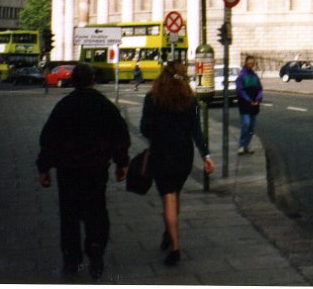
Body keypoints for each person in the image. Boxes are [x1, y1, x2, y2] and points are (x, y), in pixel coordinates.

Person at [36, 63, 130, 280]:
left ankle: (71, 258)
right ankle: (95, 252)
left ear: (73, 81)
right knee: (96, 211)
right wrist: (121, 163)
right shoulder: (104, 105)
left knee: (69, 214)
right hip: (95, 169)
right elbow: (119, 135)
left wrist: (44, 168)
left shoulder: (63, 106)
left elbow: (49, 139)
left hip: (68, 170)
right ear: (92, 80)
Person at [140, 61, 214, 266]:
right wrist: (206, 156)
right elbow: (196, 131)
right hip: (183, 155)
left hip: (161, 153)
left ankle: (175, 247)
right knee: (175, 193)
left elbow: (144, 128)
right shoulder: (190, 100)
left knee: (168, 197)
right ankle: (169, 231)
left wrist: (158, 132)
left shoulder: (152, 98)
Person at [235, 56, 263, 155]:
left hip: (254, 104)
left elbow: (259, 89)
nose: (251, 65)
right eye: (249, 63)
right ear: (246, 63)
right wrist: (249, 100)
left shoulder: (255, 75)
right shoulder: (241, 75)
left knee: (251, 126)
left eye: (252, 63)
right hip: (245, 104)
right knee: (246, 124)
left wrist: (258, 99)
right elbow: (240, 90)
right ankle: (242, 145)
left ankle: (247, 145)